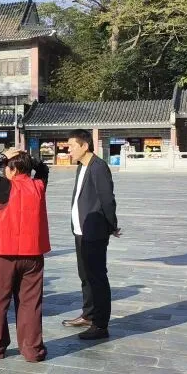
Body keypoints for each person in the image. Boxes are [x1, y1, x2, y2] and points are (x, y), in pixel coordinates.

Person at [0, 148, 50, 362]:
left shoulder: (5, 186)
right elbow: (43, 169)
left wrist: (3, 155)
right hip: (33, 254)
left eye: (6, 167)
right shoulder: (38, 186)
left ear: (14, 169)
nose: (4, 171)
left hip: (4, 254)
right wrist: (27, 159)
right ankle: (32, 350)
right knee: (31, 303)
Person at [63, 129, 119, 340]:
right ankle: (88, 315)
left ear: (84, 145)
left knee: (97, 278)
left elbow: (107, 199)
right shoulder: (82, 166)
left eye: (71, 146)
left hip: (94, 232)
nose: (68, 150)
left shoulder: (98, 167)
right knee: (85, 276)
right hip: (81, 231)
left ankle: (100, 325)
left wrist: (111, 225)